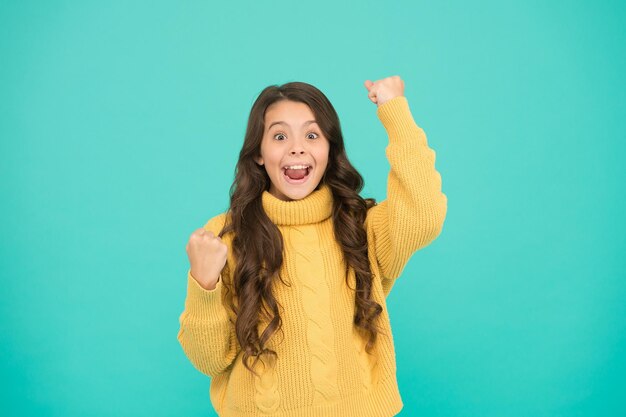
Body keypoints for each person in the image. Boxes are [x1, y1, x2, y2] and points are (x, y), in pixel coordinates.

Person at [177, 76, 448, 417]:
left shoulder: (359, 225)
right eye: (279, 136)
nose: (297, 148)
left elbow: (424, 214)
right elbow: (209, 360)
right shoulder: (226, 235)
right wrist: (203, 284)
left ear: (329, 149)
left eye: (311, 134)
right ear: (258, 153)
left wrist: (395, 112)